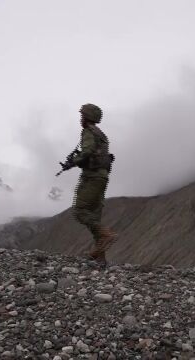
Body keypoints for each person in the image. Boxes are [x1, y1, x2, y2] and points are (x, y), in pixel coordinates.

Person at [66, 103, 117, 263]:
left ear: (87, 117)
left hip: (92, 177)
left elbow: (87, 151)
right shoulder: (101, 134)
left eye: (82, 116)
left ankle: (106, 235)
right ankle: (100, 256)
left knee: (80, 211)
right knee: (94, 215)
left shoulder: (88, 131)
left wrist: (73, 162)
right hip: (102, 177)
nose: (80, 118)